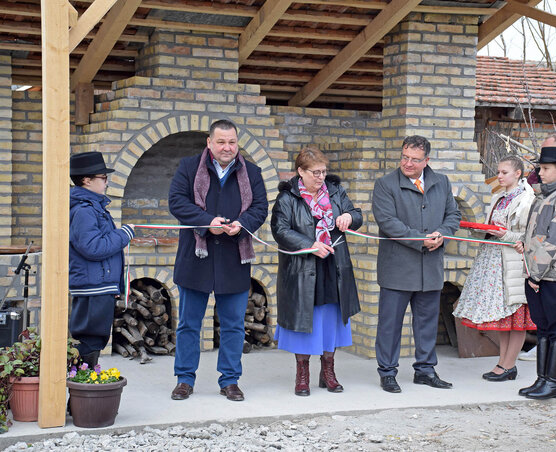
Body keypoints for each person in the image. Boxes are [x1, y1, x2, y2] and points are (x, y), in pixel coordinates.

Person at [168, 119, 268, 402]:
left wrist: (243, 224)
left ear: (238, 143)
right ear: (209, 143)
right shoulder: (189, 167)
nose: (227, 147)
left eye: (232, 142)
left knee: (234, 325)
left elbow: (260, 207)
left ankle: (230, 380)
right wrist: (206, 222)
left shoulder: (252, 171)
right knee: (189, 323)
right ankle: (184, 379)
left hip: (234, 257)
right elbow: (176, 202)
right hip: (195, 257)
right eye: (221, 142)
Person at [372, 135, 461, 393]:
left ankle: (425, 370)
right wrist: (423, 240)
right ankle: (387, 372)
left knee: (427, 323)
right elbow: (388, 222)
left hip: (430, 268)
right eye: (404, 157)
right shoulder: (385, 184)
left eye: (414, 159)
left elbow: (453, 214)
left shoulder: (441, 182)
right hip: (397, 268)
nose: (407, 163)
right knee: (390, 325)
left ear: (427, 160)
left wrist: (442, 234)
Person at [271, 147, 363, 396]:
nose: (321, 177)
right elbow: (279, 230)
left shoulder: (335, 191)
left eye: (323, 172)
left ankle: (328, 372)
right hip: (302, 269)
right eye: (315, 172)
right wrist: (309, 245)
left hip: (334, 266)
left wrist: (347, 217)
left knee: (331, 320)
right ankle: (302, 375)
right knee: (305, 320)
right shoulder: (287, 197)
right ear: (300, 171)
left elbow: (357, 215)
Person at [453, 155, 537, 381]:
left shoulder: (526, 199)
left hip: (513, 261)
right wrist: (480, 230)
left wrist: (505, 234)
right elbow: (494, 227)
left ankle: (509, 365)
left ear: (518, 174)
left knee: (516, 315)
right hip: (494, 259)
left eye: (504, 173)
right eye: (498, 172)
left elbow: (530, 236)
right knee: (505, 317)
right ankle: (503, 363)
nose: (499, 176)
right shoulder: (500, 197)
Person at [513, 135, 556, 400]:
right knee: (543, 327)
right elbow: (538, 234)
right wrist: (523, 244)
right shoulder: (545, 197)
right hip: (537, 274)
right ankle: (542, 380)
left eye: (544, 168)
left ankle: (555, 383)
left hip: (552, 276)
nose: (539, 173)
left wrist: (536, 274)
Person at [69, 151, 135, 368]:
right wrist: (124, 234)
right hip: (93, 287)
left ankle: (83, 386)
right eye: (103, 178)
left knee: (94, 338)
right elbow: (92, 247)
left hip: (98, 285)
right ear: (87, 180)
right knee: (90, 339)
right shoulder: (84, 211)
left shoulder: (93, 207)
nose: (107, 182)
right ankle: (79, 388)